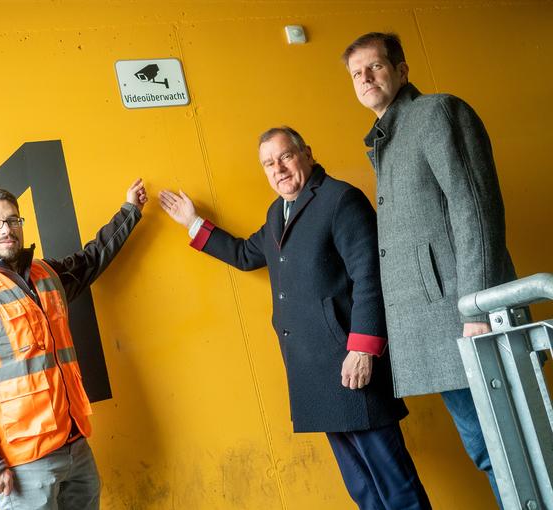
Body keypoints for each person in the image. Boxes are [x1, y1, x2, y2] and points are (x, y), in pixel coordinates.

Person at [159, 127, 431, 509]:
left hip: (351, 362)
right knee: (363, 489)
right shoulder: (276, 213)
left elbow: (371, 275)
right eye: (268, 163)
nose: (279, 169)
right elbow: (244, 254)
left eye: (285, 157)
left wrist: (363, 348)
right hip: (314, 372)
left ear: (307, 153)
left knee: (395, 485)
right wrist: (193, 222)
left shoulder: (341, 199)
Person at [342, 32, 516, 505]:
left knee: (508, 447)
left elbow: (474, 208)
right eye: (357, 73)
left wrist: (476, 304)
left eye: (375, 66)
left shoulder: (436, 113)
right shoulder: (388, 139)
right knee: (488, 449)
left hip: (464, 320)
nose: (366, 78)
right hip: (437, 329)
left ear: (401, 70)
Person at [0, 179, 147, 509]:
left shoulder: (45, 275)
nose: (6, 229)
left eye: (13, 220)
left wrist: (130, 211)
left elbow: (91, 260)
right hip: (22, 465)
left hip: (75, 447)